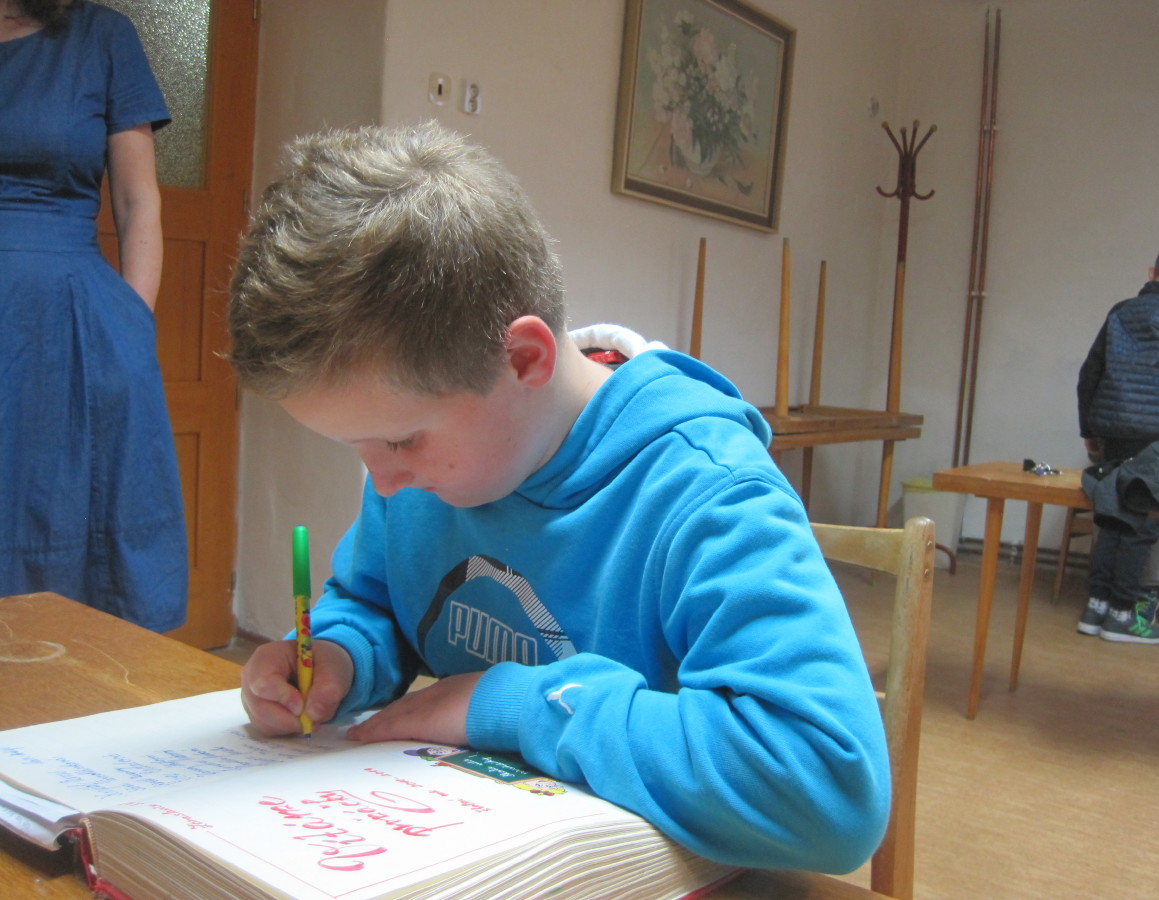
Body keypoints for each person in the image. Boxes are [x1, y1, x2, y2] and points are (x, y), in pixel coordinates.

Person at [228, 122, 890, 873]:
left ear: (523, 358)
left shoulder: (707, 493)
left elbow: (829, 789)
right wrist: (339, 656)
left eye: (402, 440)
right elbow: (377, 600)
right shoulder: (430, 466)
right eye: (359, 447)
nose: (382, 481)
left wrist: (511, 706)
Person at [0, 1, 187, 631]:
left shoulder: (102, 36)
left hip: (70, 323)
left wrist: (132, 324)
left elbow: (138, 201)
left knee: (65, 507)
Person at [1076, 237, 1159, 644]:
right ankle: (1123, 615)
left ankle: (1095, 608)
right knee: (1140, 526)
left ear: (1152, 272)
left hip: (1114, 432)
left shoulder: (1120, 311)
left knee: (1112, 518)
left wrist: (1090, 432)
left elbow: (1090, 374)